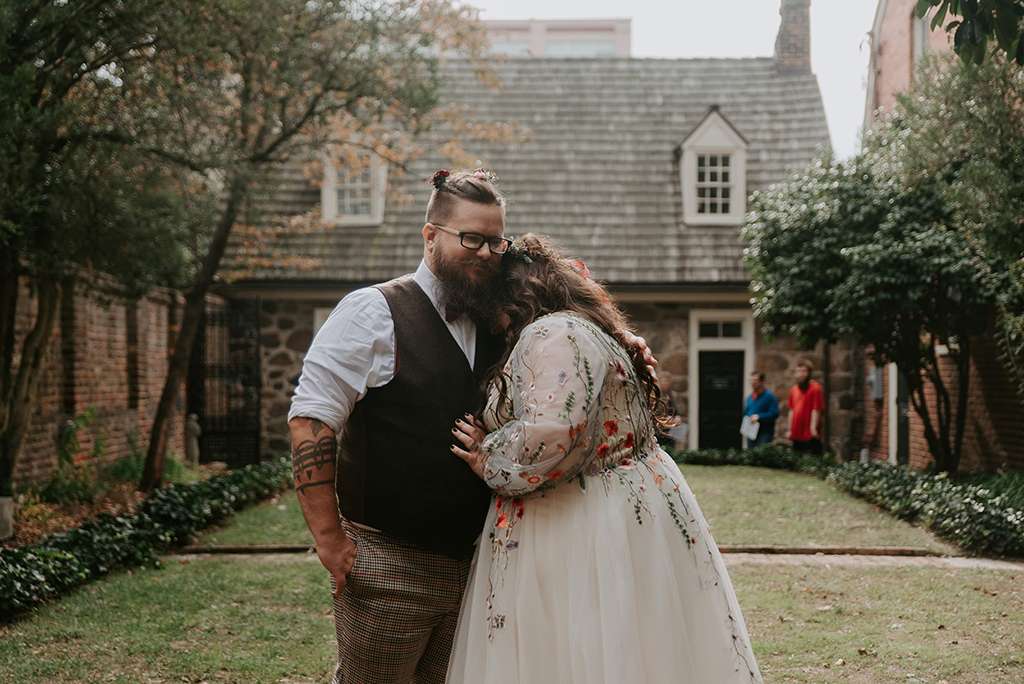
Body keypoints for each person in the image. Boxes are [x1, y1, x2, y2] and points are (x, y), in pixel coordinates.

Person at [287, 172, 656, 683]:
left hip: (484, 567)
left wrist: (623, 339)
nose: (485, 253)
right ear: (430, 235)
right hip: (390, 564)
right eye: (470, 239)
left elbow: (568, 314)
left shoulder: (503, 315)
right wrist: (330, 540)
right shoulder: (372, 311)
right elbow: (312, 420)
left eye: (494, 241)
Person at [448, 235, 763, 684]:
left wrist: (487, 455)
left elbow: (553, 433)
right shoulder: (588, 328)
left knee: (581, 647)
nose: (492, 325)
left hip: (578, 514)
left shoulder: (552, 333)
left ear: (514, 298)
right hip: (623, 501)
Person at [786, 358, 824, 455]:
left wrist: (813, 428)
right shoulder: (793, 389)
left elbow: (816, 409)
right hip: (796, 431)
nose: (800, 374)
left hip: (809, 432)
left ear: (809, 373)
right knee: (796, 457)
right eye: (798, 371)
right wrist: (789, 429)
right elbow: (791, 410)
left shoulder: (815, 388)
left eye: (803, 371)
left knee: (813, 457)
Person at [743, 371, 779, 447]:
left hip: (764, 434)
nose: (752, 383)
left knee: (762, 453)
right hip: (751, 432)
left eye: (755, 380)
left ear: (762, 382)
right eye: (751, 380)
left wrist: (759, 416)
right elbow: (746, 413)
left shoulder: (770, 397)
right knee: (750, 453)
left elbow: (774, 414)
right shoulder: (750, 398)